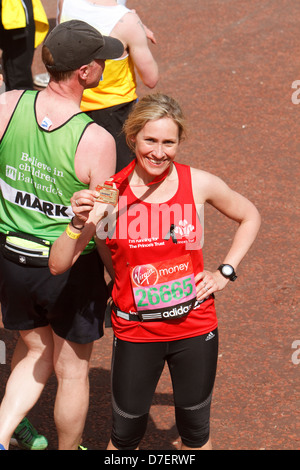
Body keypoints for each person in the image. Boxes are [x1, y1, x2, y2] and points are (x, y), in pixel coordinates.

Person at [49, 93, 261, 450]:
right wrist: (76, 222)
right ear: (132, 139)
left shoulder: (197, 183)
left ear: (179, 143)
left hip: (196, 327)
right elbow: (57, 264)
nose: (159, 152)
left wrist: (225, 271)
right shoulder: (109, 195)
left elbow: (249, 215)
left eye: (169, 142)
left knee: (195, 433)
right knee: (125, 437)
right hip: (136, 331)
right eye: (150, 140)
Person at [0, 19, 124, 450]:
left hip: (12, 259)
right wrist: (115, 271)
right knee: (72, 371)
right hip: (69, 266)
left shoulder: (8, 103)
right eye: (101, 61)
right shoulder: (96, 138)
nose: (105, 66)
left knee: (33, 348)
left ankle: (3, 433)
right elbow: (99, 223)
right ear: (85, 73)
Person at [58, 0, 159, 172]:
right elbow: (151, 79)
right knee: (118, 179)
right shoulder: (127, 21)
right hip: (113, 113)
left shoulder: (66, 2)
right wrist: (138, 31)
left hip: (70, 105)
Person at [0, 0, 48, 90]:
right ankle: (20, 99)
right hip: (15, 12)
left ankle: (16, 97)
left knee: (16, 65)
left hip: (15, 11)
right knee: (19, 71)